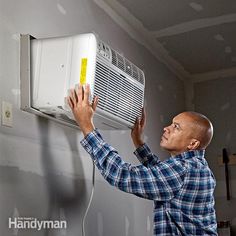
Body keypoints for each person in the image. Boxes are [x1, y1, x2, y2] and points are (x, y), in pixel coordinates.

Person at [67, 84, 217, 235]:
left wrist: (87, 126)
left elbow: (122, 174)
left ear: (192, 144)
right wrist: (137, 141)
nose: (166, 128)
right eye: (171, 124)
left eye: (176, 127)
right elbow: (163, 177)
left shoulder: (181, 170)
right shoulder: (199, 167)